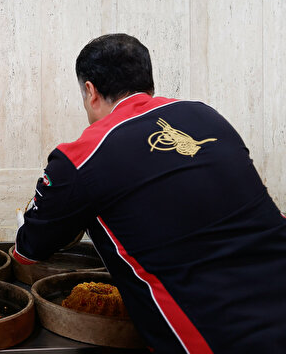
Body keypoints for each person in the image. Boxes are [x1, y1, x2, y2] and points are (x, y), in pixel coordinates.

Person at [14, 34, 286, 353]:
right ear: (148, 82)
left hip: (218, 336)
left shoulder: (82, 157)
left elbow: (28, 248)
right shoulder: (207, 116)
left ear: (90, 91)